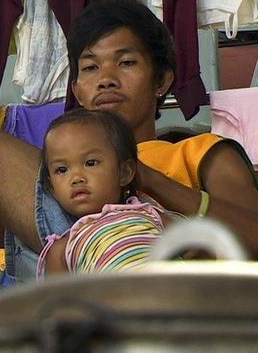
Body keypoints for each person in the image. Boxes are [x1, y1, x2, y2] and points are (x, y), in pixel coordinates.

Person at [0, 0, 258, 330]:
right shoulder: (61, 164)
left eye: (126, 62)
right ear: (78, 90)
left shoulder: (199, 150)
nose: (106, 80)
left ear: (162, 79)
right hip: (63, 260)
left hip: (149, 264)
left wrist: (146, 181)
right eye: (90, 68)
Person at [36, 109, 173, 277]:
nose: (76, 178)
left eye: (91, 163)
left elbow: (197, 247)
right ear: (52, 188)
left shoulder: (151, 214)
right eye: (61, 170)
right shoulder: (62, 250)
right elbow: (60, 301)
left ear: (124, 172)